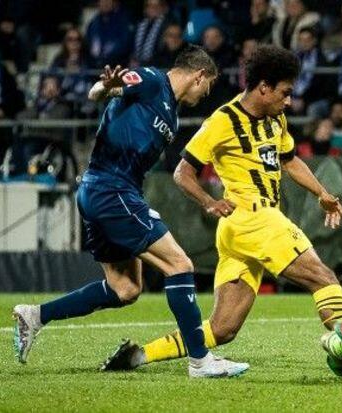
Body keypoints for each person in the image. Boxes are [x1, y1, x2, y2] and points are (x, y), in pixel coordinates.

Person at [100, 45, 342, 374]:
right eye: (284, 93)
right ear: (263, 87)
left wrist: (322, 193)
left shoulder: (276, 118)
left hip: (241, 231)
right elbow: (182, 172)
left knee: (223, 328)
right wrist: (209, 201)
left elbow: (290, 161)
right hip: (254, 217)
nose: (288, 101)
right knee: (322, 276)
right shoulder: (222, 121)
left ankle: (139, 356)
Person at [12, 45, 249, 378]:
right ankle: (200, 360)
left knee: (125, 289)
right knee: (180, 264)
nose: (204, 96)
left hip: (104, 192)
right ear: (199, 76)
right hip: (111, 190)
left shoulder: (172, 113)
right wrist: (105, 88)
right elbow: (101, 90)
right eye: (207, 88)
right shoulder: (151, 80)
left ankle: (35, 315)